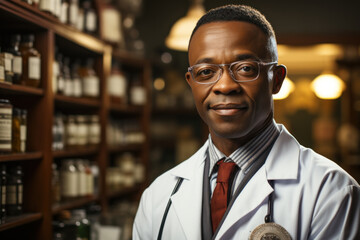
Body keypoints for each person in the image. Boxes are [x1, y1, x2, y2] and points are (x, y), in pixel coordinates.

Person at [133, 4, 360, 240]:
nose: (224, 86)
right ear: (191, 82)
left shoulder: (332, 191)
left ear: (277, 80)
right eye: (206, 72)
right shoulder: (157, 197)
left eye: (245, 68)